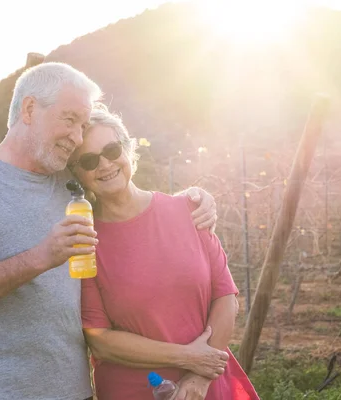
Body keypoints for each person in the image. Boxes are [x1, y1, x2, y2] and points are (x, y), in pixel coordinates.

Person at [0, 62, 220, 400]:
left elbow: (122, 193)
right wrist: (41, 257)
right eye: (70, 120)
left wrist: (190, 200)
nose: (77, 137)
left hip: (73, 390)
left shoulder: (69, 180)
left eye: (82, 125)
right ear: (30, 109)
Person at [72, 104, 259, 400]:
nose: (105, 165)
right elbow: (100, 340)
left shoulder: (188, 209)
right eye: (89, 161)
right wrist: (188, 357)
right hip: (133, 391)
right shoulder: (85, 239)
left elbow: (225, 296)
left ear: (127, 149)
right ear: (78, 175)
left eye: (110, 151)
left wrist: (198, 377)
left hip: (206, 387)